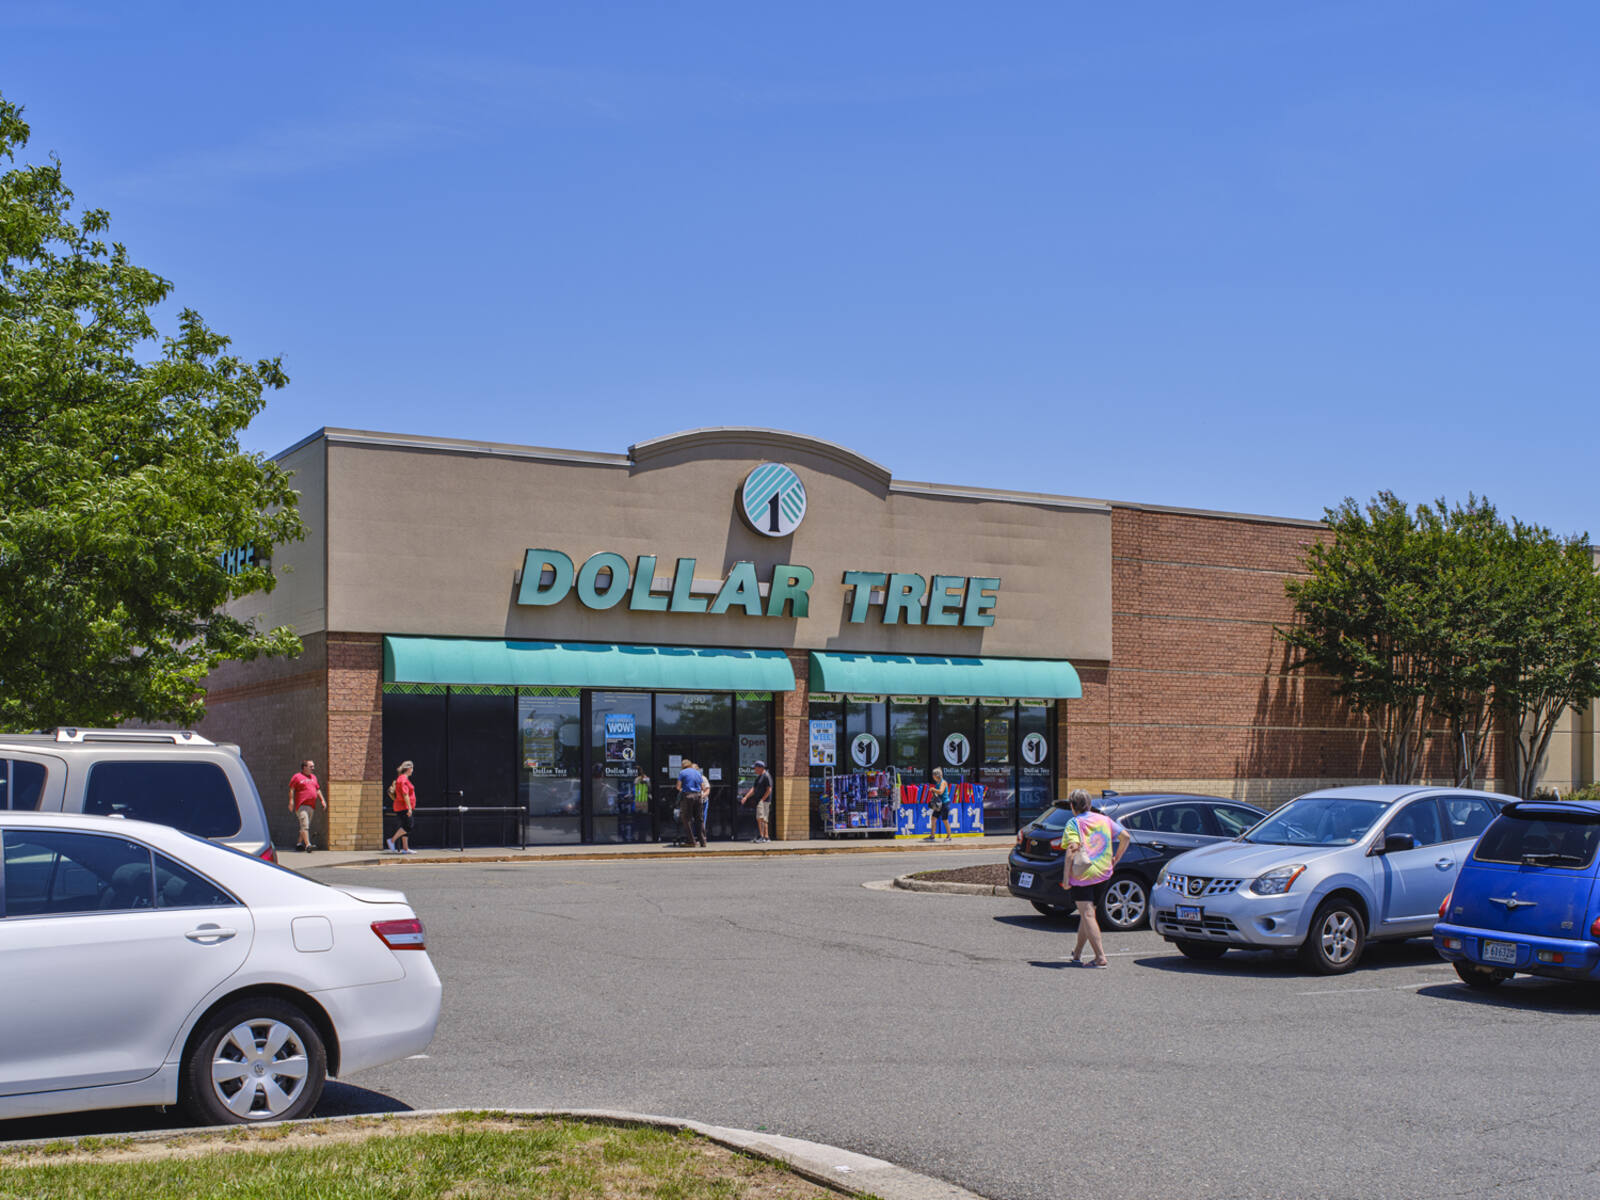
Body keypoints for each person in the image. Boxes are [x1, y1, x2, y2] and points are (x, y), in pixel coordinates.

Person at [1060, 788, 1131, 967]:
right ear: (1090, 804)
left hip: (1083, 875)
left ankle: (1100, 957)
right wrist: (1116, 859)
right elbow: (1126, 837)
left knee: (1088, 914)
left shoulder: (1073, 823)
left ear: (1072, 806)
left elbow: (1072, 849)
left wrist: (1066, 878)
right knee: (1088, 914)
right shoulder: (1104, 820)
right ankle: (1077, 953)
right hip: (1103, 873)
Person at [287, 758, 327, 853]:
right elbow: (291, 789)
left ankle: (299, 843)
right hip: (301, 806)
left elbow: (317, 790)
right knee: (305, 825)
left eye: (313, 766)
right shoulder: (297, 777)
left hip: (311, 806)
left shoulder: (314, 777)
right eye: (311, 766)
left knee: (305, 826)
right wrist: (291, 801)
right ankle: (308, 845)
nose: (313, 768)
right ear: (304, 767)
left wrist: (322, 800)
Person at [387, 760, 418, 854]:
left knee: (406, 826)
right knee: (409, 826)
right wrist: (409, 808)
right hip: (403, 807)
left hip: (403, 806)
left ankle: (405, 848)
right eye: (412, 768)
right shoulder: (403, 779)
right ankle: (392, 840)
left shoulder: (402, 778)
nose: (412, 770)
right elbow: (405, 794)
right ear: (409, 768)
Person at [741, 760, 774, 842]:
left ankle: (762, 836)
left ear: (761, 768)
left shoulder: (766, 776)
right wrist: (746, 797)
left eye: (755, 768)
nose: (754, 770)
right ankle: (766, 837)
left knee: (760, 818)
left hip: (764, 801)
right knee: (763, 819)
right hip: (761, 800)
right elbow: (754, 789)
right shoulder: (759, 777)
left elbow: (769, 789)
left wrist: (762, 800)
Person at [677, 758, 707, 847]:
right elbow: (703, 787)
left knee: (687, 819)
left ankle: (691, 841)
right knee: (699, 819)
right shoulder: (698, 773)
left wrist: (683, 790)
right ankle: (703, 841)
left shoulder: (682, 773)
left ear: (683, 766)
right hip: (698, 796)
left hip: (688, 796)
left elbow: (678, 786)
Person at [924, 768, 953, 842]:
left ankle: (949, 836)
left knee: (945, 820)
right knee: (933, 818)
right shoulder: (938, 783)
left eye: (933, 775)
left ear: (936, 775)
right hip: (939, 804)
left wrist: (933, 789)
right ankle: (932, 835)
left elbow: (940, 791)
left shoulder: (943, 782)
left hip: (945, 804)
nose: (933, 776)